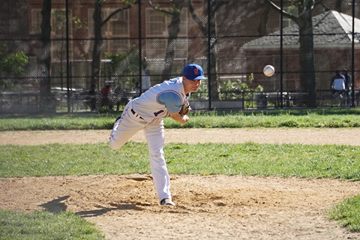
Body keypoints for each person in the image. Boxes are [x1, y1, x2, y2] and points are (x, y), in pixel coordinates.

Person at [109, 63, 206, 206]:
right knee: (114, 145)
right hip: (135, 116)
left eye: (199, 80)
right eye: (193, 80)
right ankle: (118, 123)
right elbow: (177, 118)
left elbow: (181, 104)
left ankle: (165, 197)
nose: (196, 83)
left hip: (155, 120)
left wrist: (184, 108)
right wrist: (184, 118)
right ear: (184, 78)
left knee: (157, 154)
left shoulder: (183, 87)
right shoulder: (173, 93)